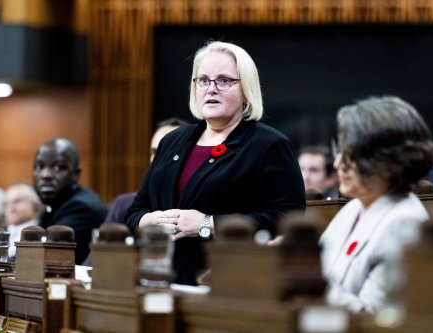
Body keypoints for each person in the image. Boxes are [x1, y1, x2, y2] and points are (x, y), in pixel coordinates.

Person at [125, 41, 306, 286]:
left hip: (226, 280)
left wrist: (207, 224)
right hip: (159, 275)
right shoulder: (172, 141)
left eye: (224, 81)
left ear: (246, 90)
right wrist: (148, 221)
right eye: (203, 80)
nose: (211, 89)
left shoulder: (269, 145)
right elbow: (136, 210)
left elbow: (287, 218)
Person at [319, 96, 433, 313]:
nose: (338, 165)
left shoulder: (403, 222)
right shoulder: (353, 208)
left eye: (352, 156)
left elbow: (374, 317)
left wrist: (311, 284)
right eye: (340, 153)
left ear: (389, 162)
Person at [81, 117, 190, 266]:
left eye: (168, 151)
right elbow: (93, 264)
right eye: (154, 152)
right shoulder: (124, 205)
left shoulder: (196, 213)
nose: (157, 160)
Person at [33, 138, 108, 264]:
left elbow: (40, 258)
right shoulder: (54, 207)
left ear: (76, 175)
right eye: (39, 166)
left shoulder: (81, 208)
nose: (46, 175)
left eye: (58, 167)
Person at [4, 182, 42, 260]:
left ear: (35, 205)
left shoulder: (44, 232)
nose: (11, 206)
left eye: (17, 201)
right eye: (7, 203)